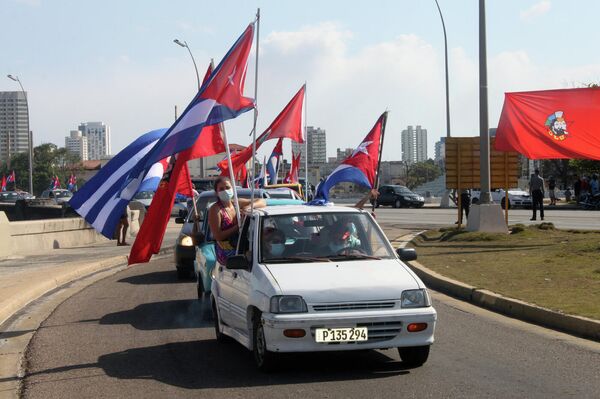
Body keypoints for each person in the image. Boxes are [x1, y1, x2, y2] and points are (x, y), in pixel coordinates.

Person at [208, 177, 266, 267]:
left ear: (232, 188)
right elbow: (218, 236)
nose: (225, 191)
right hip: (227, 254)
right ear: (217, 192)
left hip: (242, 247)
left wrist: (250, 207)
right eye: (221, 189)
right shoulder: (215, 209)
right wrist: (239, 226)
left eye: (227, 187)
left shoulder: (236, 203)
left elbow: (262, 202)